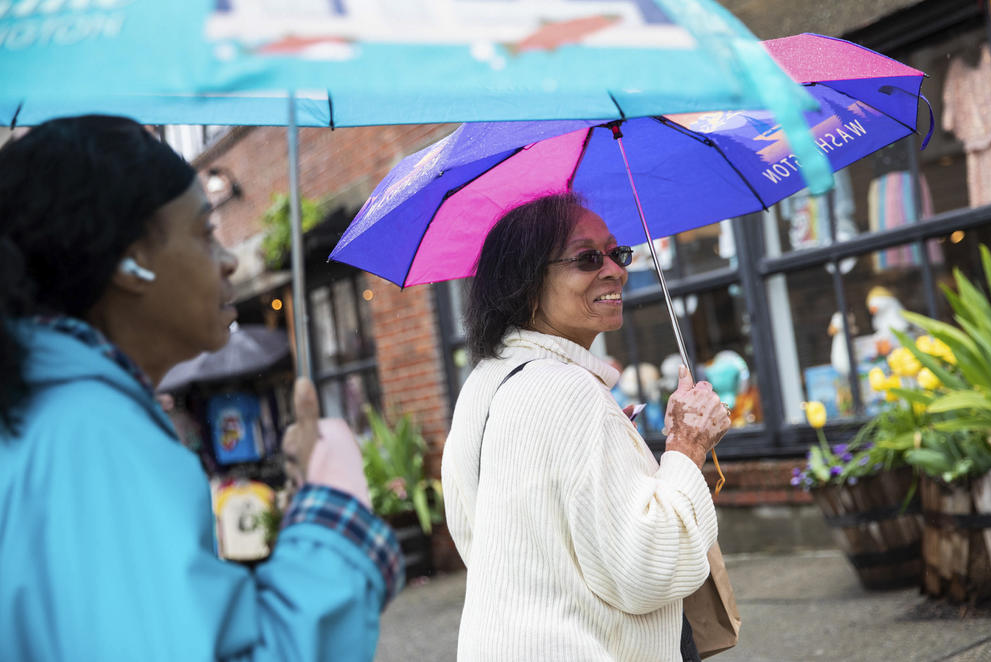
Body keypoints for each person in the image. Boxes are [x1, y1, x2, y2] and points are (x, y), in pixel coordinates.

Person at [0, 115, 401, 661]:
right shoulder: (91, 438)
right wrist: (331, 504)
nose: (230, 258)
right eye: (205, 233)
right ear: (131, 260)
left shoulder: (52, 415)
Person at [441, 193, 731, 661]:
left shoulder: (483, 384)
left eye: (617, 253)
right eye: (587, 258)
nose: (615, 270)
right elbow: (648, 571)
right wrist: (686, 447)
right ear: (526, 282)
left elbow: (486, 534)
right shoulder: (565, 389)